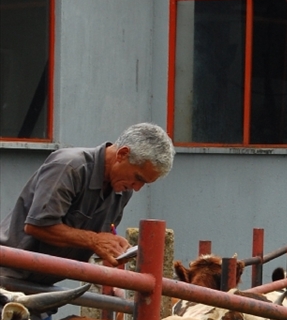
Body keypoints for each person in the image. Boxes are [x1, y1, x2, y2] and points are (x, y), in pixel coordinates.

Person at [0, 122, 174, 292]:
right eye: (138, 178)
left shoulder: (121, 189)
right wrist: (95, 240)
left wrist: (113, 249)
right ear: (122, 154)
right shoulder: (69, 166)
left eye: (145, 184)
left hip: (40, 289)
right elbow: (37, 226)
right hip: (7, 279)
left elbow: (94, 239)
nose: (136, 188)